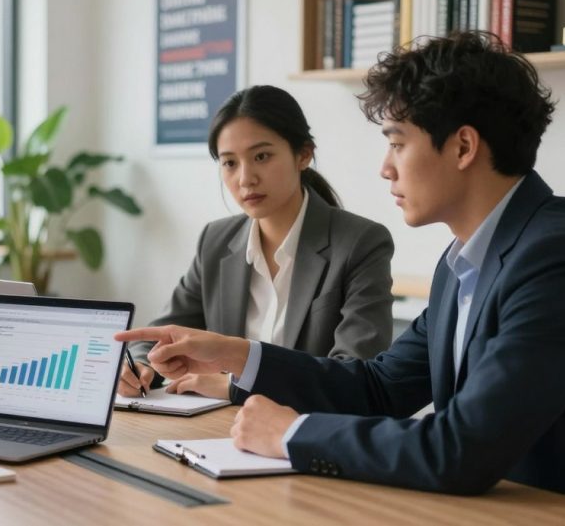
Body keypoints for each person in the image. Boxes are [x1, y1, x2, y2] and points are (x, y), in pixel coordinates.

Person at [116, 32, 565, 508]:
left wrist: (290, 435)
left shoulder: (558, 260)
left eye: (398, 142)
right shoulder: (465, 262)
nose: (385, 166)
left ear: (464, 147)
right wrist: (235, 354)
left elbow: (462, 449)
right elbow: (378, 388)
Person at [119, 85, 393, 401]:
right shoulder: (216, 241)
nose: (245, 178)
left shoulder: (361, 243)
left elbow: (354, 376)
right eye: (230, 163)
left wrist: (237, 387)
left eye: (261, 156)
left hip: (306, 435)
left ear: (303, 154)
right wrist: (141, 365)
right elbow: (163, 333)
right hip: (219, 431)